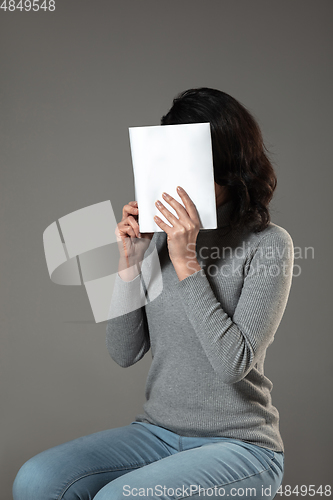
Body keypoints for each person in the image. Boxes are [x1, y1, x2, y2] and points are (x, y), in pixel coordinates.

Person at [13, 88, 294, 500]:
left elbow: (232, 364)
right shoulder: (159, 236)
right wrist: (133, 259)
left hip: (241, 445)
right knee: (35, 480)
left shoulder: (268, 244)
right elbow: (123, 352)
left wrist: (186, 263)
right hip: (158, 433)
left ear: (230, 165)